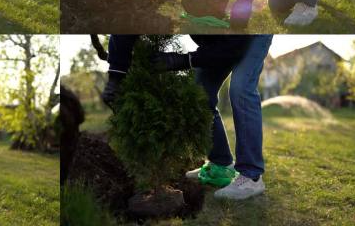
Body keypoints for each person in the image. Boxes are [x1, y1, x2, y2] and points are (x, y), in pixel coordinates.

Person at [101, 34, 273, 200]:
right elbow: (124, 31)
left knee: (241, 89)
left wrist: (183, 60)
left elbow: (231, 48)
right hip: (221, 39)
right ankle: (221, 164)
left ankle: (252, 176)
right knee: (200, 94)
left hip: (249, 34)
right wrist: (115, 77)